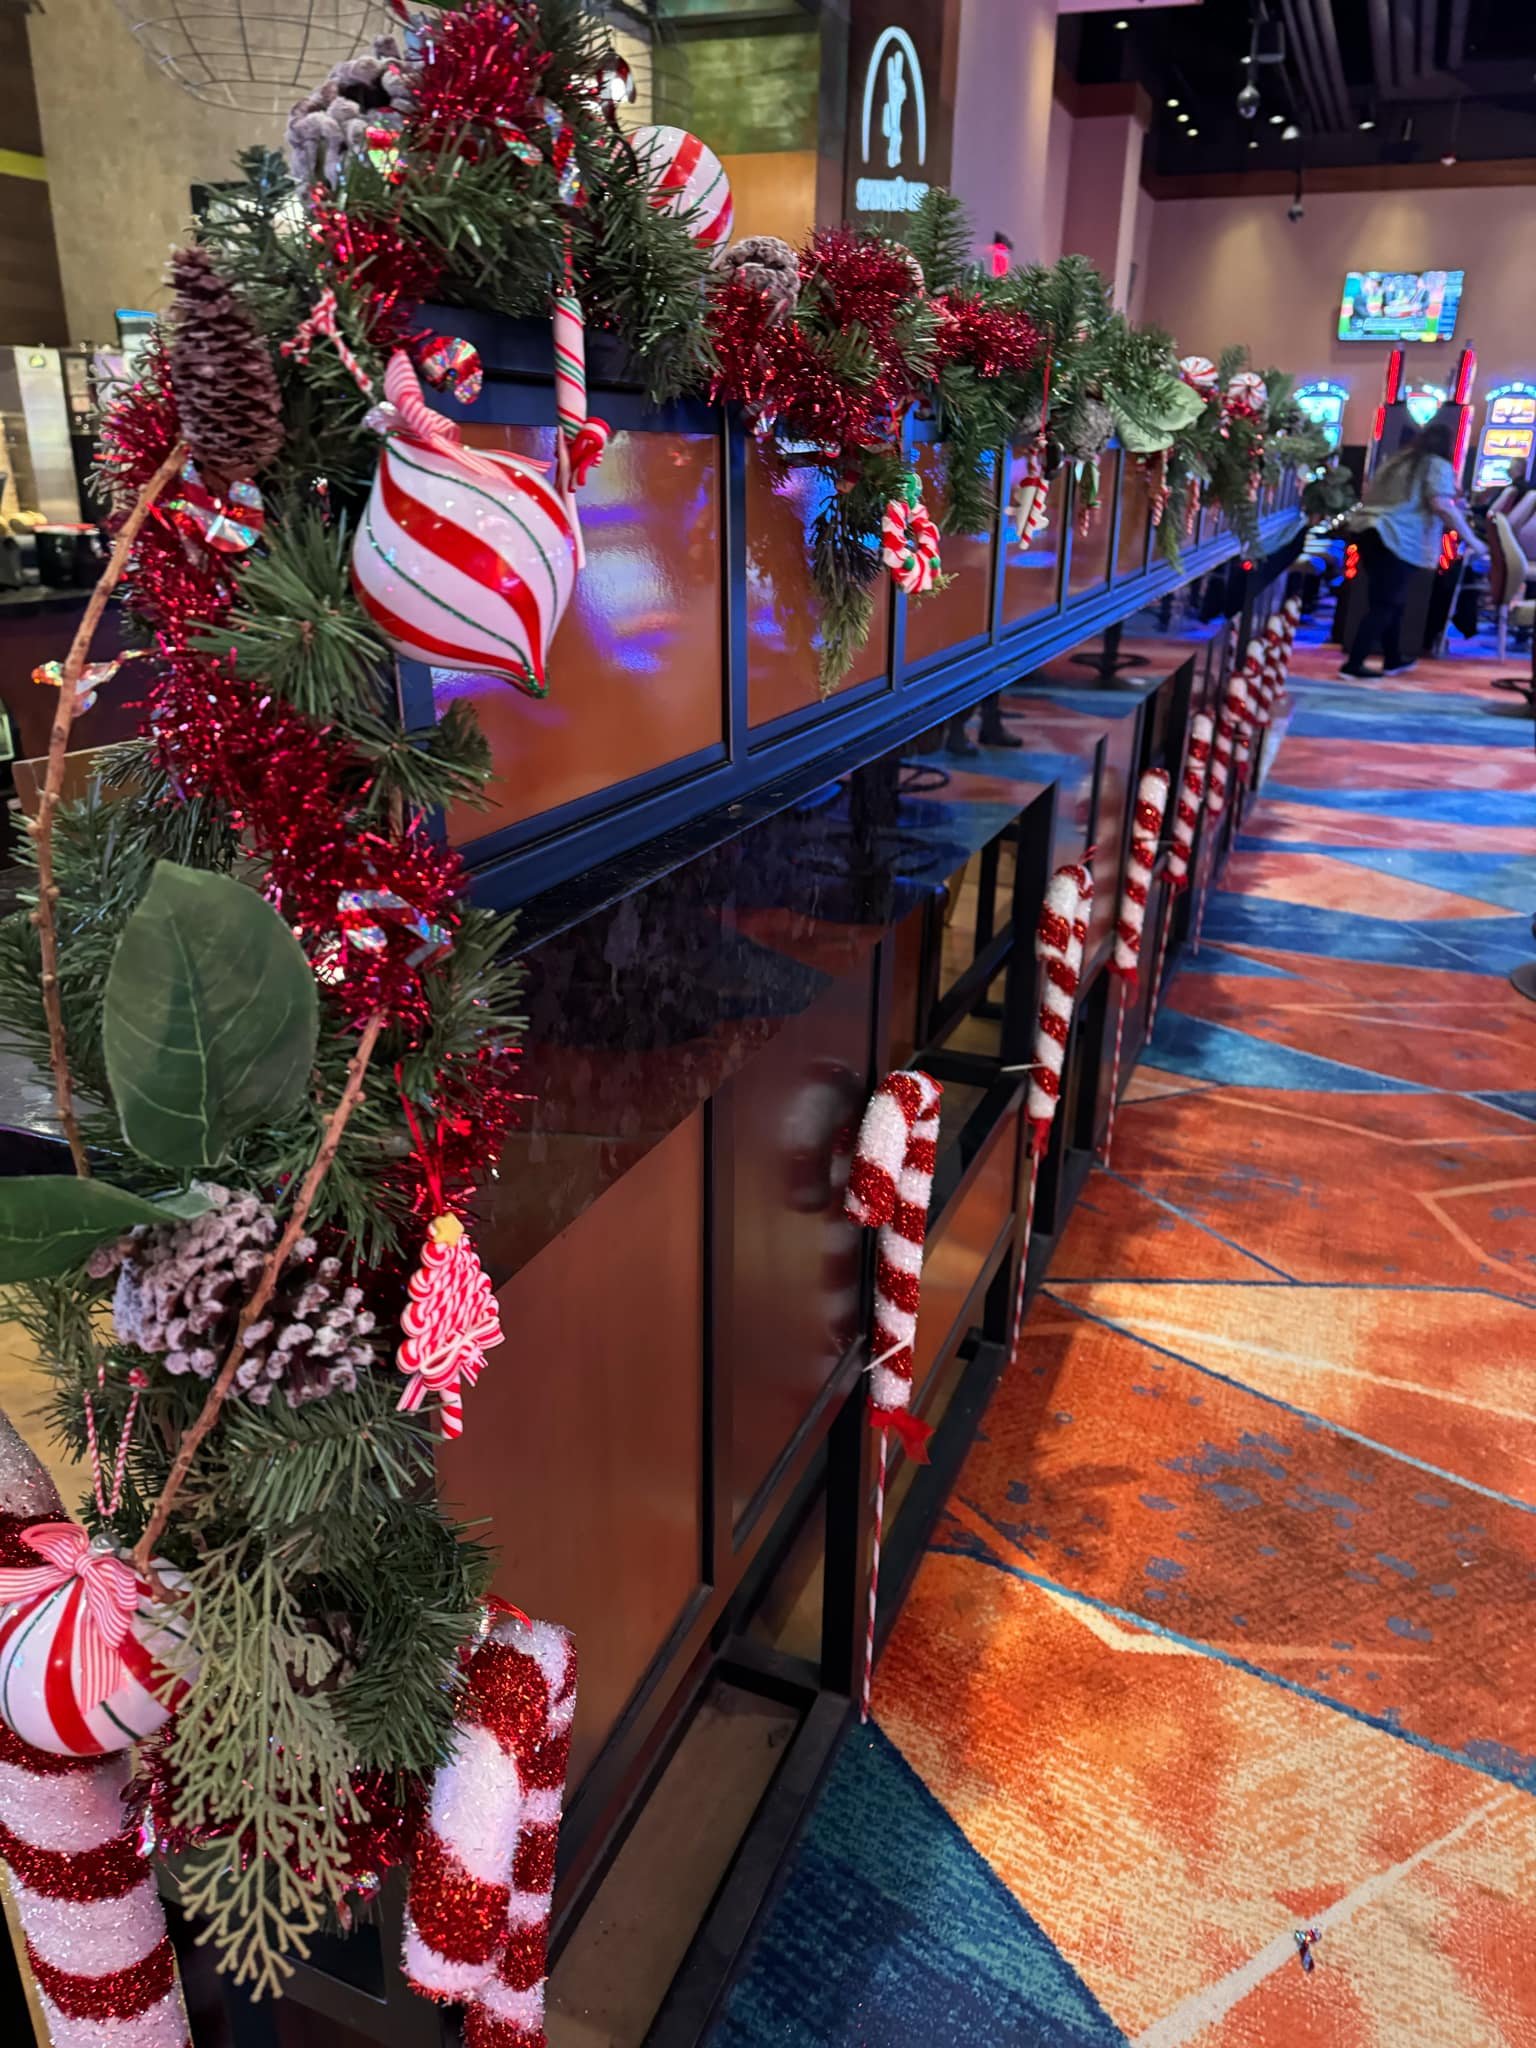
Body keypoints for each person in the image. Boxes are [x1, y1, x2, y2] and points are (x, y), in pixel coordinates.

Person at [1341, 421, 1488, 679]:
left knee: (1389, 601)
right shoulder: (1436, 465)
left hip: (1367, 530)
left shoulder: (1398, 462)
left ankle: (1393, 659)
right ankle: (1353, 663)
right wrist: (1473, 540)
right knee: (1386, 603)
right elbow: (1441, 505)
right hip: (1397, 537)